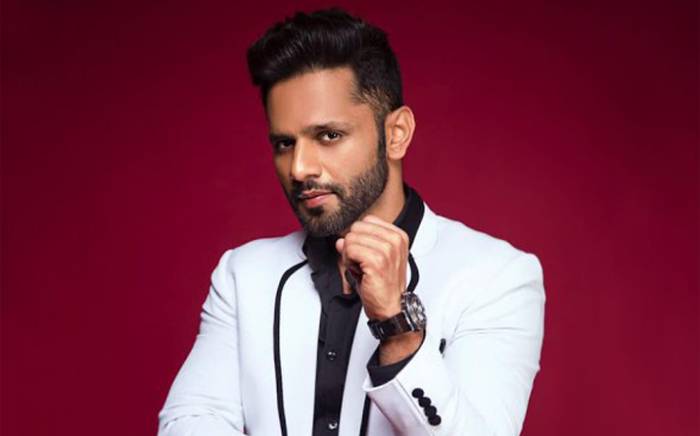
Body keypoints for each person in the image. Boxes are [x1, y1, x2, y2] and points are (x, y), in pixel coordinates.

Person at [157, 8, 545, 436]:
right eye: (284, 143)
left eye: (329, 136)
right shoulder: (243, 275)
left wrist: (397, 328)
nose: (299, 168)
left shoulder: (496, 277)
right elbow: (188, 423)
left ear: (396, 133)